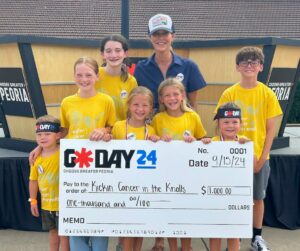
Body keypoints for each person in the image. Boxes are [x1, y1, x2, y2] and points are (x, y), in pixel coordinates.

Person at [216, 47, 282, 251]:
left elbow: (271, 129)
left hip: (258, 157)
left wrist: (262, 158)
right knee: (232, 196)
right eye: (244, 62)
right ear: (237, 67)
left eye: (254, 62)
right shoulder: (230, 93)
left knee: (257, 198)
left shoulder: (267, 93)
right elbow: (220, 123)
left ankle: (256, 238)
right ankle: (233, 239)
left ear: (261, 67)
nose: (249, 66)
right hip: (232, 156)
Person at [60, 56, 116, 251]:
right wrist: (40, 146)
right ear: (74, 76)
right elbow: (63, 132)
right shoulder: (67, 102)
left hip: (100, 165)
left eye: (88, 74)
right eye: (79, 75)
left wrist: (105, 131)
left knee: (100, 216)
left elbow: (112, 128)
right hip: (75, 166)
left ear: (97, 76)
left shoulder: (106, 101)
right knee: (77, 217)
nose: (84, 79)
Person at [151, 78, 206, 251]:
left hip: (187, 175)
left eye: (176, 94)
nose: (172, 98)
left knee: (184, 212)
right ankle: (168, 244)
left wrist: (195, 141)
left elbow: (202, 139)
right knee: (167, 210)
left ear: (182, 95)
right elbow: (152, 141)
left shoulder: (192, 116)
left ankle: (186, 246)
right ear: (161, 99)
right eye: (167, 95)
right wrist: (159, 139)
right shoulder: (158, 119)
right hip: (164, 175)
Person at [111, 86, 159, 251]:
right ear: (129, 105)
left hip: (143, 184)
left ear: (151, 108)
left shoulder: (152, 131)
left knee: (140, 223)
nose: (140, 109)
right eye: (136, 105)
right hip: (121, 182)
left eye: (145, 106)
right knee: (124, 221)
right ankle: (121, 246)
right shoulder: (118, 126)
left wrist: (158, 141)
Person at [134, 13, 206, 112]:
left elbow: (192, 105)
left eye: (165, 33)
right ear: (150, 38)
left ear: (172, 36)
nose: (161, 37)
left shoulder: (189, 66)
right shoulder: (141, 68)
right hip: (152, 125)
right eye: (156, 34)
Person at [202, 103, 249, 251]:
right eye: (226, 122)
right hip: (215, 196)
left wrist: (248, 148)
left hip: (235, 197)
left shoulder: (244, 142)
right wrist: (204, 145)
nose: (230, 125)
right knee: (215, 233)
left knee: (234, 233)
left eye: (235, 122)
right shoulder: (213, 142)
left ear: (240, 124)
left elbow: (253, 168)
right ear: (218, 124)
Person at [29, 115, 69, 251]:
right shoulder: (36, 158)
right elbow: (33, 180)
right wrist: (33, 200)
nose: (43, 137)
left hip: (64, 204)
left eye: (47, 134)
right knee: (52, 233)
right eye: (39, 134)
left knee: (64, 235)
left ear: (58, 135)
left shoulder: (64, 152)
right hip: (47, 205)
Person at [98, 35, 138, 121]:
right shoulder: (94, 76)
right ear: (102, 54)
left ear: (125, 54)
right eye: (108, 51)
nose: (113, 55)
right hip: (96, 132)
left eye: (118, 50)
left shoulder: (131, 81)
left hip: (120, 132)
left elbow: (133, 112)